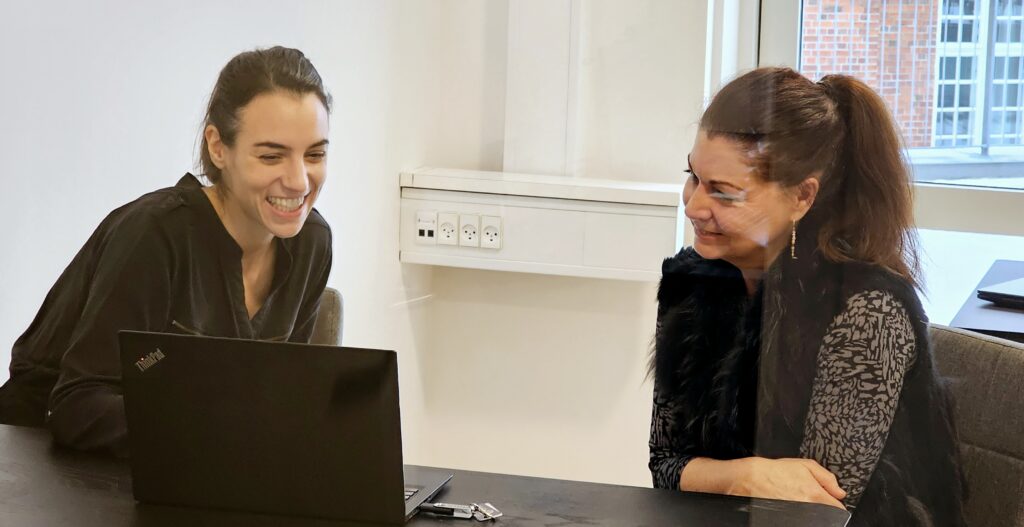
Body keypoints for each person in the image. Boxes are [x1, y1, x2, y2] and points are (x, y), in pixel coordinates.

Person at [648, 67, 966, 526]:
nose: (694, 205)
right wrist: (747, 476)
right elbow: (664, 465)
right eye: (693, 177)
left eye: (724, 192)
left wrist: (711, 475)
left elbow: (817, 509)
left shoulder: (866, 310)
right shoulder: (691, 283)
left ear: (801, 197)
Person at [0, 46, 333, 457]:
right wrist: (215, 425)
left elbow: (277, 392)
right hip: (39, 455)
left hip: (185, 460)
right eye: (271, 156)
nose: (300, 181)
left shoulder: (312, 242)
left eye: (315, 154)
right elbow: (75, 406)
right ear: (218, 147)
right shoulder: (154, 235)